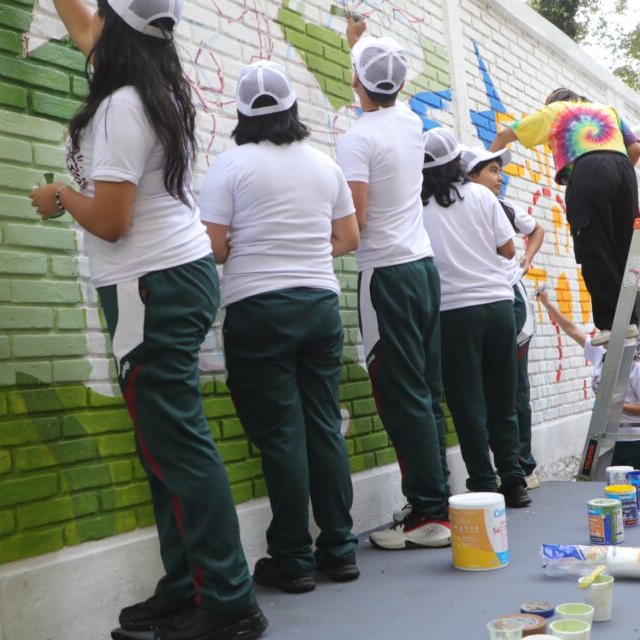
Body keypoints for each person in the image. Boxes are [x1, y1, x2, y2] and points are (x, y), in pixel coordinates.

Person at [29, 0, 265, 637]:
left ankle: (228, 599)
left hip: (150, 284)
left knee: (178, 445)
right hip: (162, 279)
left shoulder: (121, 107)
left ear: (120, 29)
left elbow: (111, 221)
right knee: (164, 441)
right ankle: (189, 582)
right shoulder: (147, 80)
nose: (92, 23)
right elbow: (81, 21)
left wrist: (58, 196)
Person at [199, 61, 361, 593]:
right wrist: (307, 250)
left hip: (258, 309)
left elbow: (214, 248)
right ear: (293, 109)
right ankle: (339, 550)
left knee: (281, 437)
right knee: (322, 426)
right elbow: (348, 237)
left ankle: (291, 559)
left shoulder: (230, 166)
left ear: (242, 115)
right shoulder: (324, 166)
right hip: (319, 305)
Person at [338, 18, 451, 550]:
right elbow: (376, 83)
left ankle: (429, 513)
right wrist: (357, 40)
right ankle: (436, 502)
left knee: (398, 390)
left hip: (385, 274)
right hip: (423, 270)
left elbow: (353, 226)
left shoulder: (357, 138)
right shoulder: (410, 123)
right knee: (425, 389)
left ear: (357, 80)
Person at [419, 128, 528, 507]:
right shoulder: (482, 195)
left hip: (453, 312)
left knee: (467, 403)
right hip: (498, 304)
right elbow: (508, 248)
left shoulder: (418, 208)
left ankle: (484, 483)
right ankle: (514, 481)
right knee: (503, 397)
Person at [488, 89, 640, 346]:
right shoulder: (607, 110)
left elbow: (504, 135)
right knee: (622, 249)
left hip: (589, 171)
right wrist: (614, 173)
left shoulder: (557, 111)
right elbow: (635, 149)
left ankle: (610, 323)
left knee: (593, 245)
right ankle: (631, 321)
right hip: (625, 172)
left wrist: (483, 167)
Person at [460, 145, 546, 487]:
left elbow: (535, 230)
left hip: (508, 302)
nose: (500, 178)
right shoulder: (451, 206)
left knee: (513, 389)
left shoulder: (503, 207)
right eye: (492, 171)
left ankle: (522, 466)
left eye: (500, 170)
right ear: (469, 175)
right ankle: (495, 470)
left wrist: (525, 260)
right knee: (480, 390)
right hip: (474, 305)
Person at [535, 287, 640, 470]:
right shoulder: (600, 354)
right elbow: (572, 330)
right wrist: (547, 304)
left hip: (635, 440)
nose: (604, 332)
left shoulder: (637, 369)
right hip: (611, 438)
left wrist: (616, 404)